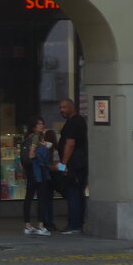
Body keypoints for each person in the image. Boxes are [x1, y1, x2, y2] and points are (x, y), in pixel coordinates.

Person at [57, 97, 88, 234]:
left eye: (64, 107)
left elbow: (70, 144)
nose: (61, 110)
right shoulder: (80, 121)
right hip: (80, 163)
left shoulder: (72, 123)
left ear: (72, 107)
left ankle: (74, 224)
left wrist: (63, 165)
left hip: (73, 164)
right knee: (78, 192)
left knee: (73, 193)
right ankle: (78, 223)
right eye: (60, 108)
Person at [20, 117, 45, 235]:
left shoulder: (29, 138)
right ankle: (40, 225)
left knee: (29, 197)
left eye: (42, 124)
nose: (42, 126)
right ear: (34, 127)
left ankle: (27, 225)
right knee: (41, 197)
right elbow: (31, 155)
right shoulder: (35, 138)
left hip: (30, 171)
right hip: (37, 171)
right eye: (39, 124)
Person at [32, 129, 58, 236]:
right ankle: (49, 221)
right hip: (52, 177)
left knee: (44, 200)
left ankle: (45, 221)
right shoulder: (55, 151)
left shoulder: (41, 149)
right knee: (49, 201)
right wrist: (65, 168)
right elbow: (57, 165)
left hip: (43, 176)